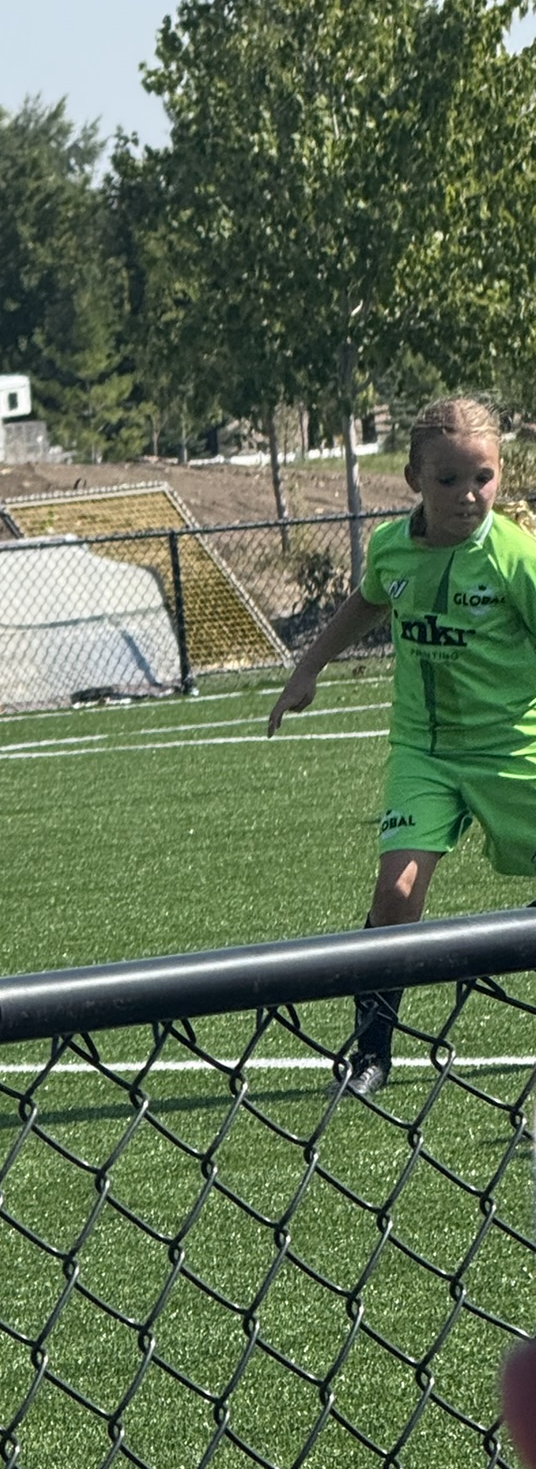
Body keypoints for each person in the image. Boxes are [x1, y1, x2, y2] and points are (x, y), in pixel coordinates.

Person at [267, 395, 536, 1095]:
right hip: (424, 753)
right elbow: (368, 599)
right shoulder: (392, 547)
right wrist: (307, 668)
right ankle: (370, 1052)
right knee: (397, 892)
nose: (468, 495)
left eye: (483, 478)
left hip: (514, 750)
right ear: (414, 480)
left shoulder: (516, 559)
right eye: (448, 480)